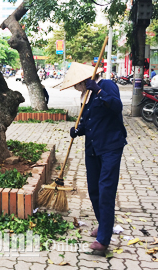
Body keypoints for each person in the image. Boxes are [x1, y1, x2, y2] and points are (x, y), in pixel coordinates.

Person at [60, 62, 127, 252]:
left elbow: (116, 107)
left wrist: (98, 90)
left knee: (106, 190)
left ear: (84, 80)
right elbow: (90, 121)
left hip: (110, 146)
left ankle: (104, 239)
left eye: (76, 84)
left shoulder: (105, 86)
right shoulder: (85, 95)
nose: (75, 88)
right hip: (92, 148)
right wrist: (78, 130)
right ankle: (103, 224)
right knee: (94, 190)